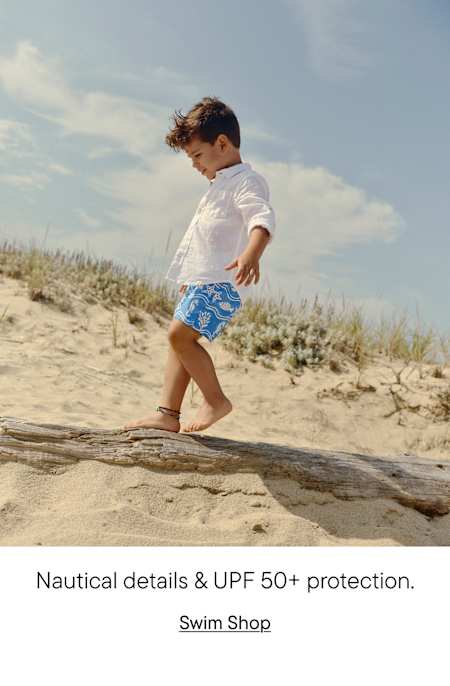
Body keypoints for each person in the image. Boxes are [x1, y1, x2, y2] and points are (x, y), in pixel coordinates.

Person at [124, 96, 276, 433]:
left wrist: (253, 252)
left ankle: (215, 400)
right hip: (201, 281)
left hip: (222, 283)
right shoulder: (217, 187)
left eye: (197, 155)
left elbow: (261, 217)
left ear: (221, 143)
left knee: (180, 337)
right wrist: (190, 275)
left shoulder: (245, 182)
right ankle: (167, 414)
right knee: (178, 344)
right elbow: (206, 238)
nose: (194, 164)